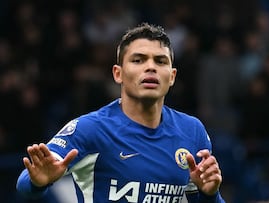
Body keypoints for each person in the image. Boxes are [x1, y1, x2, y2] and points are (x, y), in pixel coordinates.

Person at [16, 22, 225, 203]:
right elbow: (26, 183)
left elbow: (205, 196)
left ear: (171, 76)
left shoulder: (192, 131)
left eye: (160, 61)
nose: (150, 67)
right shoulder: (91, 129)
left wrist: (210, 194)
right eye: (138, 60)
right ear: (118, 74)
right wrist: (38, 180)